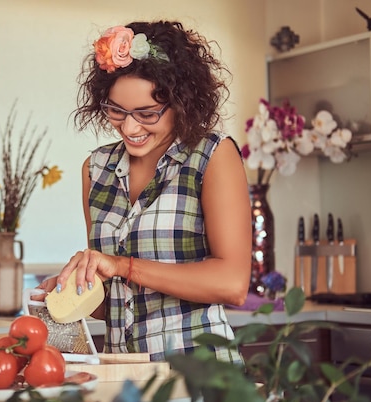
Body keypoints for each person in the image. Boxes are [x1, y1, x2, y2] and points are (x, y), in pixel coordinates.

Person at [36, 21, 252, 362]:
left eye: (147, 113)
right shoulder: (97, 169)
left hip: (200, 373)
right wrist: (73, 291)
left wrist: (122, 265)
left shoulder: (212, 156)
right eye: (116, 111)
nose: (130, 127)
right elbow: (115, 306)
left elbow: (232, 284)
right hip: (124, 380)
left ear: (181, 102)